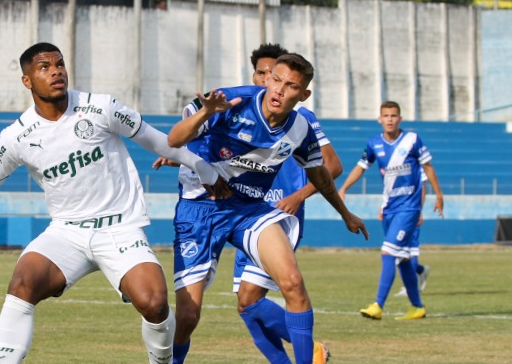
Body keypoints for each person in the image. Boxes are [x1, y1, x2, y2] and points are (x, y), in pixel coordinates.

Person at [0, 42, 230, 364]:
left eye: (59, 64)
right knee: (23, 283)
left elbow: (159, 142)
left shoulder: (102, 107)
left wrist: (206, 171)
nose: (56, 71)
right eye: (44, 67)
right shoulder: (17, 137)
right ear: (27, 80)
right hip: (66, 232)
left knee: (155, 303)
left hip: (121, 229)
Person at [168, 53, 368, 364]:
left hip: (249, 210)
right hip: (200, 209)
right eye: (275, 80)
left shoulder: (301, 128)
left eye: (290, 86)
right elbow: (174, 138)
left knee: (293, 282)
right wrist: (205, 114)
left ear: (303, 95)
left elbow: (323, 175)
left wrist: (345, 213)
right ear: (265, 78)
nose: (278, 90)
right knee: (188, 315)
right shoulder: (232, 102)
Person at [338, 101, 444, 321]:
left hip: (409, 208)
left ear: (400, 119)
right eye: (385, 115)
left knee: (388, 253)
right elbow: (361, 166)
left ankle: (378, 305)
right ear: (379, 119)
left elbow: (428, 168)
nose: (389, 119)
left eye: (394, 115)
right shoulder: (373, 143)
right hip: (389, 209)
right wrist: (344, 187)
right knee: (403, 259)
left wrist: (439, 195)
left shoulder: (412, 140)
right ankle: (417, 307)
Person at [393, 170, 430, 297]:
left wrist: (419, 210)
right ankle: (420, 270)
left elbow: (423, 186)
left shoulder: (415, 162)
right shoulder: (393, 162)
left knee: (410, 251)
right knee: (397, 252)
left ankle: (409, 287)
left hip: (411, 213)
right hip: (396, 214)